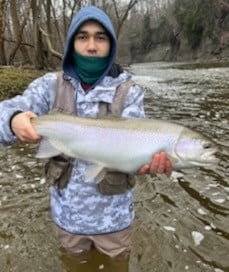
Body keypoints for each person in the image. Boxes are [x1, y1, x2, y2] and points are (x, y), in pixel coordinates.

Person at [0, 5, 172, 271]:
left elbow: (139, 149)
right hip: (67, 220)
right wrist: (13, 120)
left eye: (100, 37)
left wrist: (149, 163)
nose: (91, 46)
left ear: (111, 44)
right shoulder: (49, 86)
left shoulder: (130, 92)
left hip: (114, 222)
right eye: (83, 37)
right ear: (71, 44)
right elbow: (6, 112)